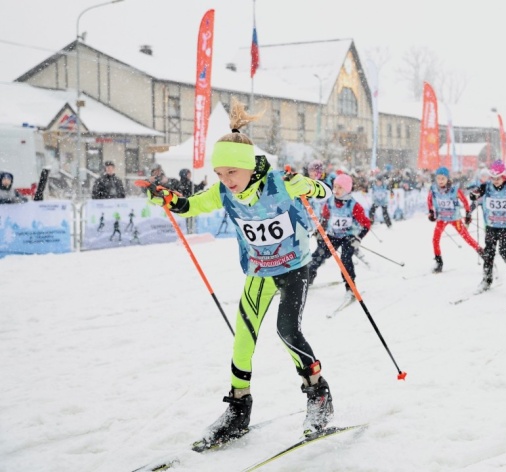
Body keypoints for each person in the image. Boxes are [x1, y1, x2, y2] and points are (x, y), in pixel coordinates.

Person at [143, 98, 335, 449]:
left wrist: (307, 185)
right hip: (259, 272)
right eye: (219, 173)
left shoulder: (280, 183)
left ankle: (318, 394)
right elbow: (190, 205)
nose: (225, 180)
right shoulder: (224, 193)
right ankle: (238, 407)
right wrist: (167, 199)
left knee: (287, 331)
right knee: (242, 340)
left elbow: (325, 191)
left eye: (231, 172)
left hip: (293, 267)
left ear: (248, 166)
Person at [308, 173, 371, 304]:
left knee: (345, 260)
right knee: (318, 255)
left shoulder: (354, 205)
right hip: (333, 235)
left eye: (340, 187)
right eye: (335, 186)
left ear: (347, 189)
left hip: (349, 237)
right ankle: (308, 279)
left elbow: (366, 224)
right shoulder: (330, 201)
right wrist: (320, 230)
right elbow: (325, 217)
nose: (336, 190)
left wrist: (358, 238)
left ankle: (350, 288)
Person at [469, 160, 506, 293]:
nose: (495, 181)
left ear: (504, 176)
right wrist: (474, 195)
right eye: (493, 178)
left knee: (504, 251)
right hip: (491, 225)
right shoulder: (486, 187)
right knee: (489, 252)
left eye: (498, 178)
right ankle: (486, 279)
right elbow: (473, 195)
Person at [428, 166, 483, 273]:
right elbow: (429, 200)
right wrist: (431, 211)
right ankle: (439, 262)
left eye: (443, 178)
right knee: (435, 239)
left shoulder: (454, 190)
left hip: (454, 218)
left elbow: (464, 201)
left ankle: (483, 254)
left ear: (447, 179)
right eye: (438, 178)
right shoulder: (434, 189)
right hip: (441, 219)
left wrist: (468, 213)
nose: (440, 181)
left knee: (466, 237)